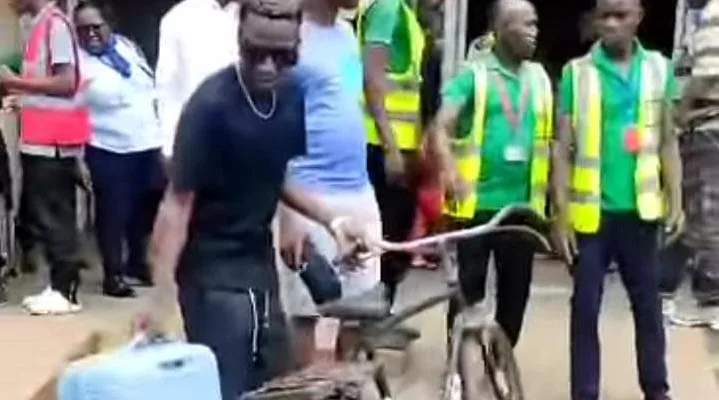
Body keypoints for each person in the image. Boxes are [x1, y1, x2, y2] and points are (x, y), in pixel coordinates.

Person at [144, 1, 371, 398]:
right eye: (255, 53)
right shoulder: (210, 107)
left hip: (259, 270)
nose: (267, 66)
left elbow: (278, 173)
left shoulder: (290, 96)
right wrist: (160, 300)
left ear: (298, 47)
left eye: (281, 56)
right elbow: (175, 206)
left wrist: (331, 221)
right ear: (239, 42)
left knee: (275, 386)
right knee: (227, 388)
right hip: (212, 277)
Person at [551, 0, 682, 398]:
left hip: (641, 213)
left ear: (639, 17)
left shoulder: (660, 68)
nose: (610, 24)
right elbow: (562, 148)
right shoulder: (577, 73)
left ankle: (656, 389)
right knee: (585, 309)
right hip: (591, 216)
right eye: (603, 16)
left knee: (648, 307)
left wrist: (676, 199)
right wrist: (560, 216)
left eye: (620, 16)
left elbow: (667, 141)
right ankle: (585, 393)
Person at [431, 0, 552, 347]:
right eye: (524, 25)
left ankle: (500, 361)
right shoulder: (474, 75)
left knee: (516, 295)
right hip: (478, 205)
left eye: (535, 23)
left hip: (523, 208)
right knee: (469, 291)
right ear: (499, 31)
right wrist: (450, 170)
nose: (534, 31)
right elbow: (439, 128)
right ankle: (459, 366)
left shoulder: (540, 78)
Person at [276, 0, 381, 366]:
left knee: (360, 314)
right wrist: (288, 215)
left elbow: (346, 102)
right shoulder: (288, 37)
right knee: (306, 316)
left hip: (358, 192)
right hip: (309, 194)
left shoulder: (347, 34)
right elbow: (275, 122)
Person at [1, 0, 89, 315]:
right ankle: (56, 286)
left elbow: (66, 82)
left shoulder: (55, 25)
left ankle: (66, 290)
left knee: (55, 215)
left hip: (55, 140)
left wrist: (14, 82)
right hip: (41, 137)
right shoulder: (39, 24)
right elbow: (44, 87)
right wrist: (20, 98)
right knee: (46, 213)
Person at [74, 2, 164, 298]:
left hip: (147, 142)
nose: (91, 35)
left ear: (109, 25)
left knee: (147, 205)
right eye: (83, 29)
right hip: (107, 147)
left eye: (96, 27)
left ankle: (137, 262)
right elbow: (72, 110)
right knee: (113, 213)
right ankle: (113, 275)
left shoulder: (127, 47)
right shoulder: (78, 64)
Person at [357, 0, 426, 343]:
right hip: (381, 145)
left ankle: (380, 317)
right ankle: (371, 323)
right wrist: (391, 148)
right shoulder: (386, 8)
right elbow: (372, 77)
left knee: (395, 234)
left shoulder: (402, 11)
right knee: (386, 235)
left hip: (395, 143)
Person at [668, 0, 719, 329]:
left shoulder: (713, 14)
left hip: (709, 128)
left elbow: (706, 76)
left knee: (707, 215)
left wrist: (680, 113)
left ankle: (709, 304)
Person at [155, 0, 239, 160]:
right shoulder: (178, 18)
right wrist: (168, 147)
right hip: (197, 143)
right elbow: (168, 91)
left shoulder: (257, 14)